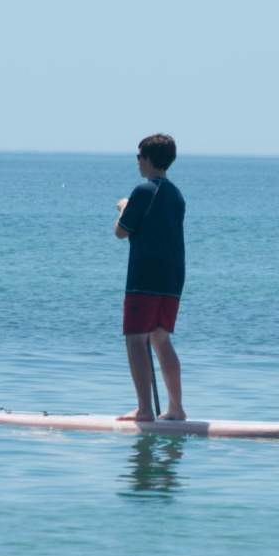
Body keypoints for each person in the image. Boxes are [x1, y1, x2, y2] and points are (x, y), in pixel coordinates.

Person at [113, 134, 186, 422]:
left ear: (146, 159)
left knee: (135, 339)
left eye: (138, 156)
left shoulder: (144, 191)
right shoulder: (176, 193)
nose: (137, 162)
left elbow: (121, 231)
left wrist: (123, 207)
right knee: (160, 338)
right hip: (173, 278)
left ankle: (144, 409)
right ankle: (176, 408)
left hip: (145, 277)